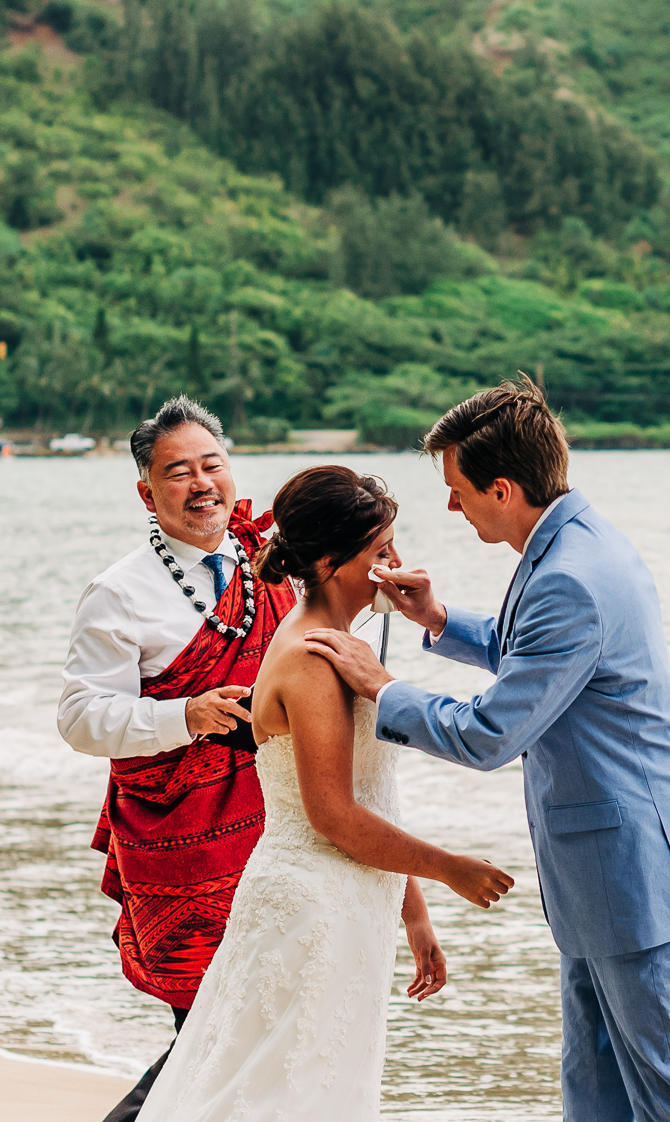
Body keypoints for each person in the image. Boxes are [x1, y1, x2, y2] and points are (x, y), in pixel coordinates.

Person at [304, 378, 670, 1122]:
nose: (450, 506)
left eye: (457, 490)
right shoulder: (575, 539)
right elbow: (536, 653)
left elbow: (488, 735)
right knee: (596, 1094)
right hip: (603, 880)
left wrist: (384, 688)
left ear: (501, 489)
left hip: (636, 882)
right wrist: (439, 618)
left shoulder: (570, 575)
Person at [144, 465, 514, 1121]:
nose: (395, 563)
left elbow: (370, 793)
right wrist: (449, 867)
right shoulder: (313, 659)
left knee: (319, 1085)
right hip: (310, 906)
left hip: (352, 900)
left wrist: (414, 911)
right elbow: (334, 815)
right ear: (327, 560)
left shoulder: (345, 645)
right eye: (379, 552)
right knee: (276, 1093)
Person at [58, 396, 286, 1122]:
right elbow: (80, 717)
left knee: (250, 1018)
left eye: (211, 464)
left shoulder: (269, 561)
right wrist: (183, 715)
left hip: (273, 825)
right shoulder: (119, 591)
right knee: (212, 1019)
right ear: (146, 491)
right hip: (175, 839)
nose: (201, 483)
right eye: (177, 471)